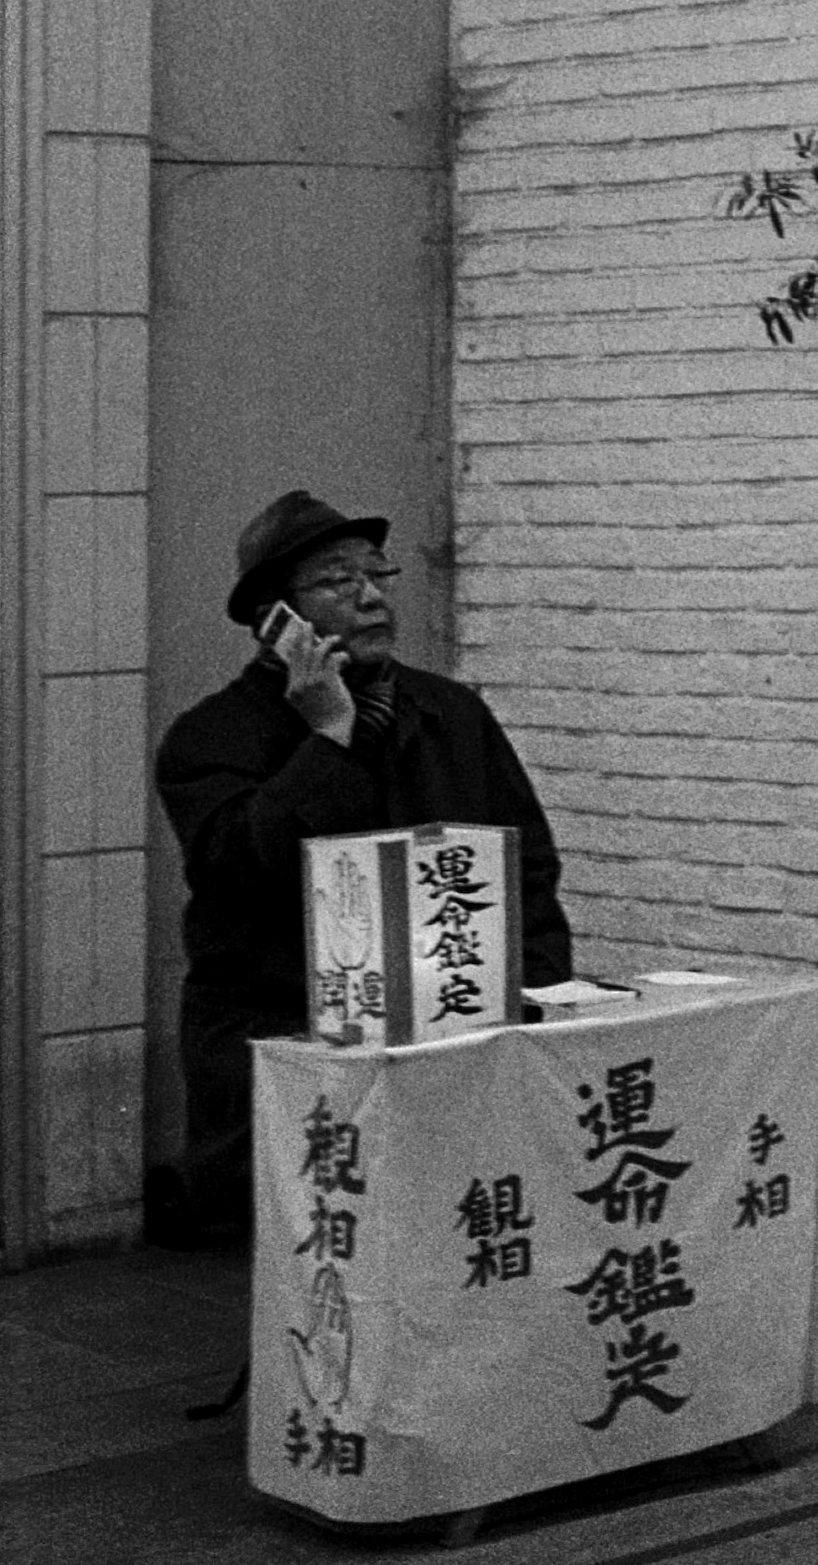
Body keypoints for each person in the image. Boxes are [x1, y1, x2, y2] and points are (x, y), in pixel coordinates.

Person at [147, 492, 575, 1248]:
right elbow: (241, 869)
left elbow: (526, 869)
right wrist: (330, 737)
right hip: (293, 1043)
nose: (371, 597)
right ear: (275, 619)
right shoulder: (212, 736)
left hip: (449, 1040)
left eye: (377, 574)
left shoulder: (450, 713)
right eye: (337, 581)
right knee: (322, 1261)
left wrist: (530, 1004)